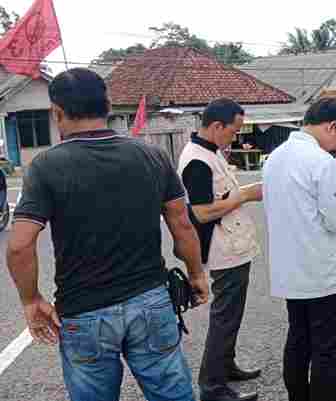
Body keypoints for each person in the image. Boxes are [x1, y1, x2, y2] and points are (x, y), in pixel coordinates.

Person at [5, 68, 208, 401]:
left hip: (84, 310)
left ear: (57, 112)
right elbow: (182, 224)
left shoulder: (46, 166)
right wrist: (197, 274)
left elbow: (19, 245)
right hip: (151, 300)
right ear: (108, 105)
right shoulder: (152, 155)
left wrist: (31, 300)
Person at [263, 98, 336, 401]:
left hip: (291, 271)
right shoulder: (321, 161)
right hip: (323, 274)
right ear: (331, 126)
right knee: (327, 352)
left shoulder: (274, 158)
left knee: (298, 342)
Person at [177, 98, 263, 401]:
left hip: (232, 245)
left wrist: (240, 194)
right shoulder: (197, 160)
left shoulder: (209, 151)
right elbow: (201, 212)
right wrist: (246, 195)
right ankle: (212, 386)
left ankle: (225, 366)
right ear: (216, 126)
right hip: (222, 248)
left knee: (231, 315)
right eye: (234, 130)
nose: (235, 136)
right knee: (224, 318)